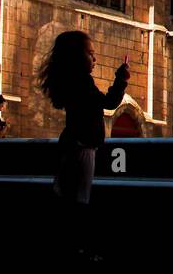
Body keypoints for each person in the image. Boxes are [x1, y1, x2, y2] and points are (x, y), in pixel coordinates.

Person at [38, 31, 130, 261]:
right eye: (90, 54)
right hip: (82, 147)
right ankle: (77, 251)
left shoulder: (70, 81)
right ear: (76, 57)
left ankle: (66, 248)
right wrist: (121, 80)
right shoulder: (81, 82)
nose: (95, 59)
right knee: (79, 200)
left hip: (72, 144)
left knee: (67, 197)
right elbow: (108, 103)